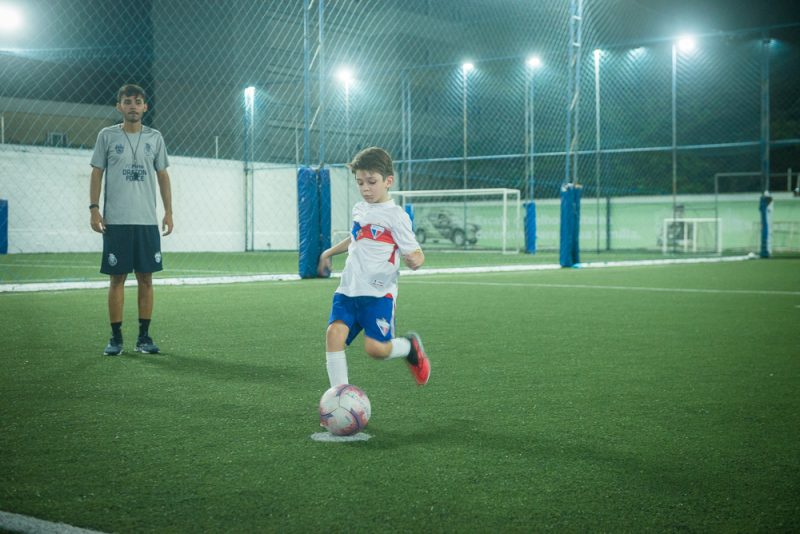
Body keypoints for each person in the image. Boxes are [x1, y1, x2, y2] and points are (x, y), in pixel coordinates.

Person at [317, 146, 430, 388]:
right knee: (333, 335)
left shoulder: (397, 216)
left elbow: (416, 252)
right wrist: (328, 252)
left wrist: (415, 260)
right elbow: (356, 239)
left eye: (372, 182)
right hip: (348, 289)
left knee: (376, 349)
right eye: (360, 183)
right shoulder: (360, 209)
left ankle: (409, 346)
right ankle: (340, 397)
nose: (365, 188)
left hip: (378, 295)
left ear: (388, 181)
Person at [89, 84, 173, 356]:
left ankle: (144, 337)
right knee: (117, 279)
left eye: (138, 102)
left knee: (146, 278)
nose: (133, 106)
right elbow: (97, 172)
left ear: (145, 107)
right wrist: (93, 208)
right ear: (119, 106)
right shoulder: (107, 136)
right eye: (128, 102)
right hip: (117, 221)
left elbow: (163, 176)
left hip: (146, 221)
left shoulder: (155, 138)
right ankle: (115, 338)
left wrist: (169, 212)